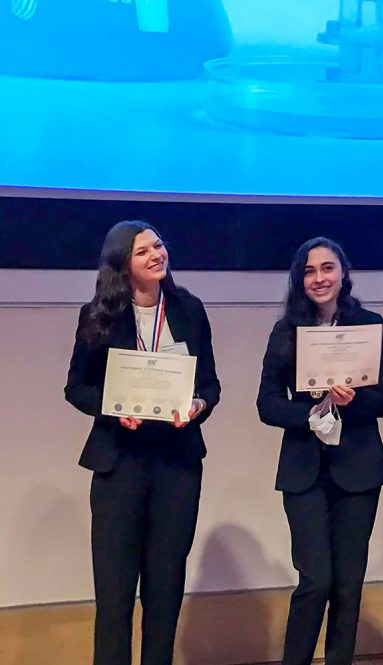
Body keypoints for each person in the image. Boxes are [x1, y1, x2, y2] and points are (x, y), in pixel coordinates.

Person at [65, 220, 221, 665]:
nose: (157, 254)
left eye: (159, 245)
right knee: (114, 598)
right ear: (122, 264)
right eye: (143, 251)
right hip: (120, 465)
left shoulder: (189, 309)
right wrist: (114, 408)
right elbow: (76, 388)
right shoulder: (99, 314)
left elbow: (210, 384)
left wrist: (198, 405)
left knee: (164, 592)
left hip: (178, 464)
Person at [257, 237, 383, 665]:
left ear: (343, 273)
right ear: (300, 280)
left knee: (348, 584)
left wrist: (353, 400)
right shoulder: (286, 331)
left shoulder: (369, 324)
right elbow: (266, 404)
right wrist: (309, 411)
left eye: (328, 268)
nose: (320, 278)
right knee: (315, 579)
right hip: (303, 470)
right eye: (310, 271)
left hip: (358, 469)